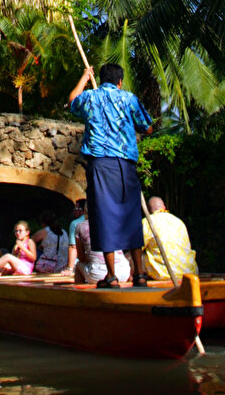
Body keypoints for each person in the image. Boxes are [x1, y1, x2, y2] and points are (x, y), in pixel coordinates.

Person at [69, 61, 152, 288]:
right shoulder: (129, 98)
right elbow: (148, 127)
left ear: (101, 79)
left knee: (103, 216)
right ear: (120, 81)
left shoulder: (90, 97)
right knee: (131, 215)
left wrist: (85, 77)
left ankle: (112, 276)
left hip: (101, 166)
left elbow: (72, 101)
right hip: (125, 165)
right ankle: (140, 274)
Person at [70, 204, 130, 285]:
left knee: (78, 265)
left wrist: (91, 258)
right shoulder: (114, 224)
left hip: (98, 274)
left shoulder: (80, 226)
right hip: (124, 272)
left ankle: (79, 291)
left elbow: (81, 257)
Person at [141, 196, 198, 281]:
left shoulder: (147, 222)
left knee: (136, 255)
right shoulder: (178, 221)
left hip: (166, 274)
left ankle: (139, 279)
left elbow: (137, 247)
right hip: (189, 272)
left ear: (148, 210)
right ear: (164, 207)